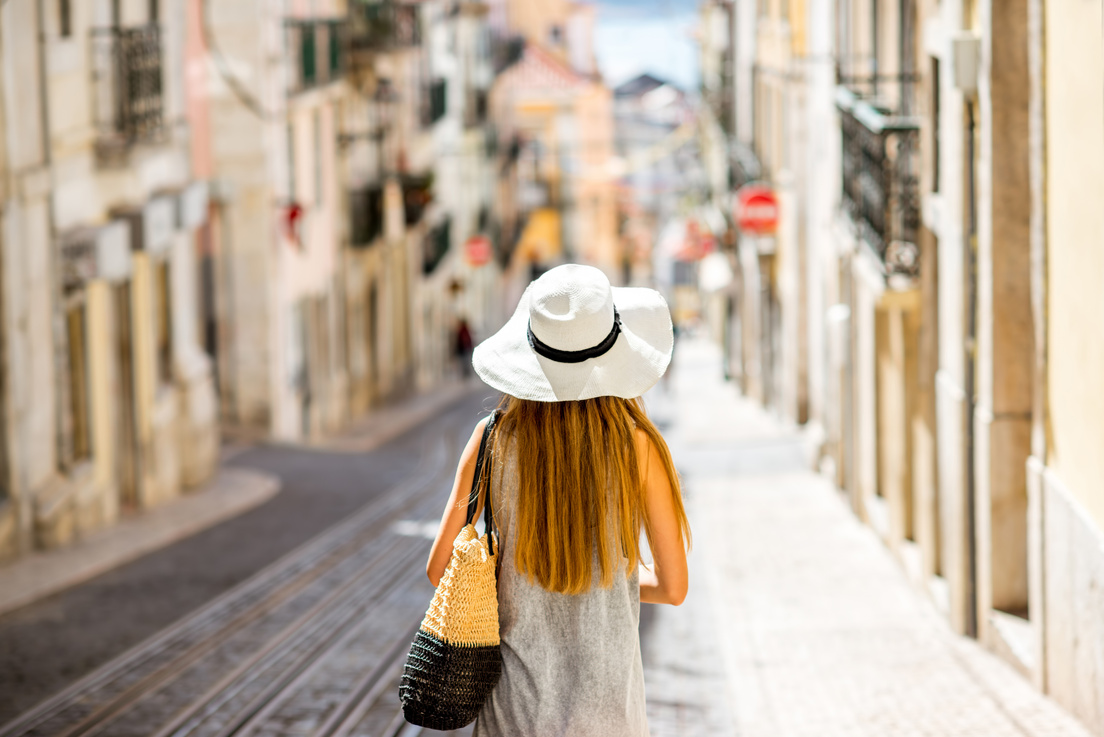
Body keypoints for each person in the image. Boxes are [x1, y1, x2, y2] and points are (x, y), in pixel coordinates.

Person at [426, 264, 691, 737]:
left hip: (513, 712)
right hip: (611, 714)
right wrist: (611, 579)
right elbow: (673, 588)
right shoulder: (639, 446)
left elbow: (438, 568)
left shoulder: (490, 439)